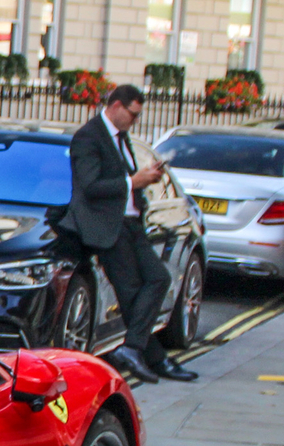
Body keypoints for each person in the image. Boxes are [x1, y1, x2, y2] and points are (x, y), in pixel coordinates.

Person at [66, 83, 196, 385]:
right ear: (116, 106)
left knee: (154, 283)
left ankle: (138, 351)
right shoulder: (89, 137)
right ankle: (148, 355)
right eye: (133, 114)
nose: (135, 121)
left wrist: (145, 177)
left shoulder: (121, 138)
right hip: (109, 229)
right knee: (138, 291)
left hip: (133, 225)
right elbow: (89, 186)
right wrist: (133, 181)